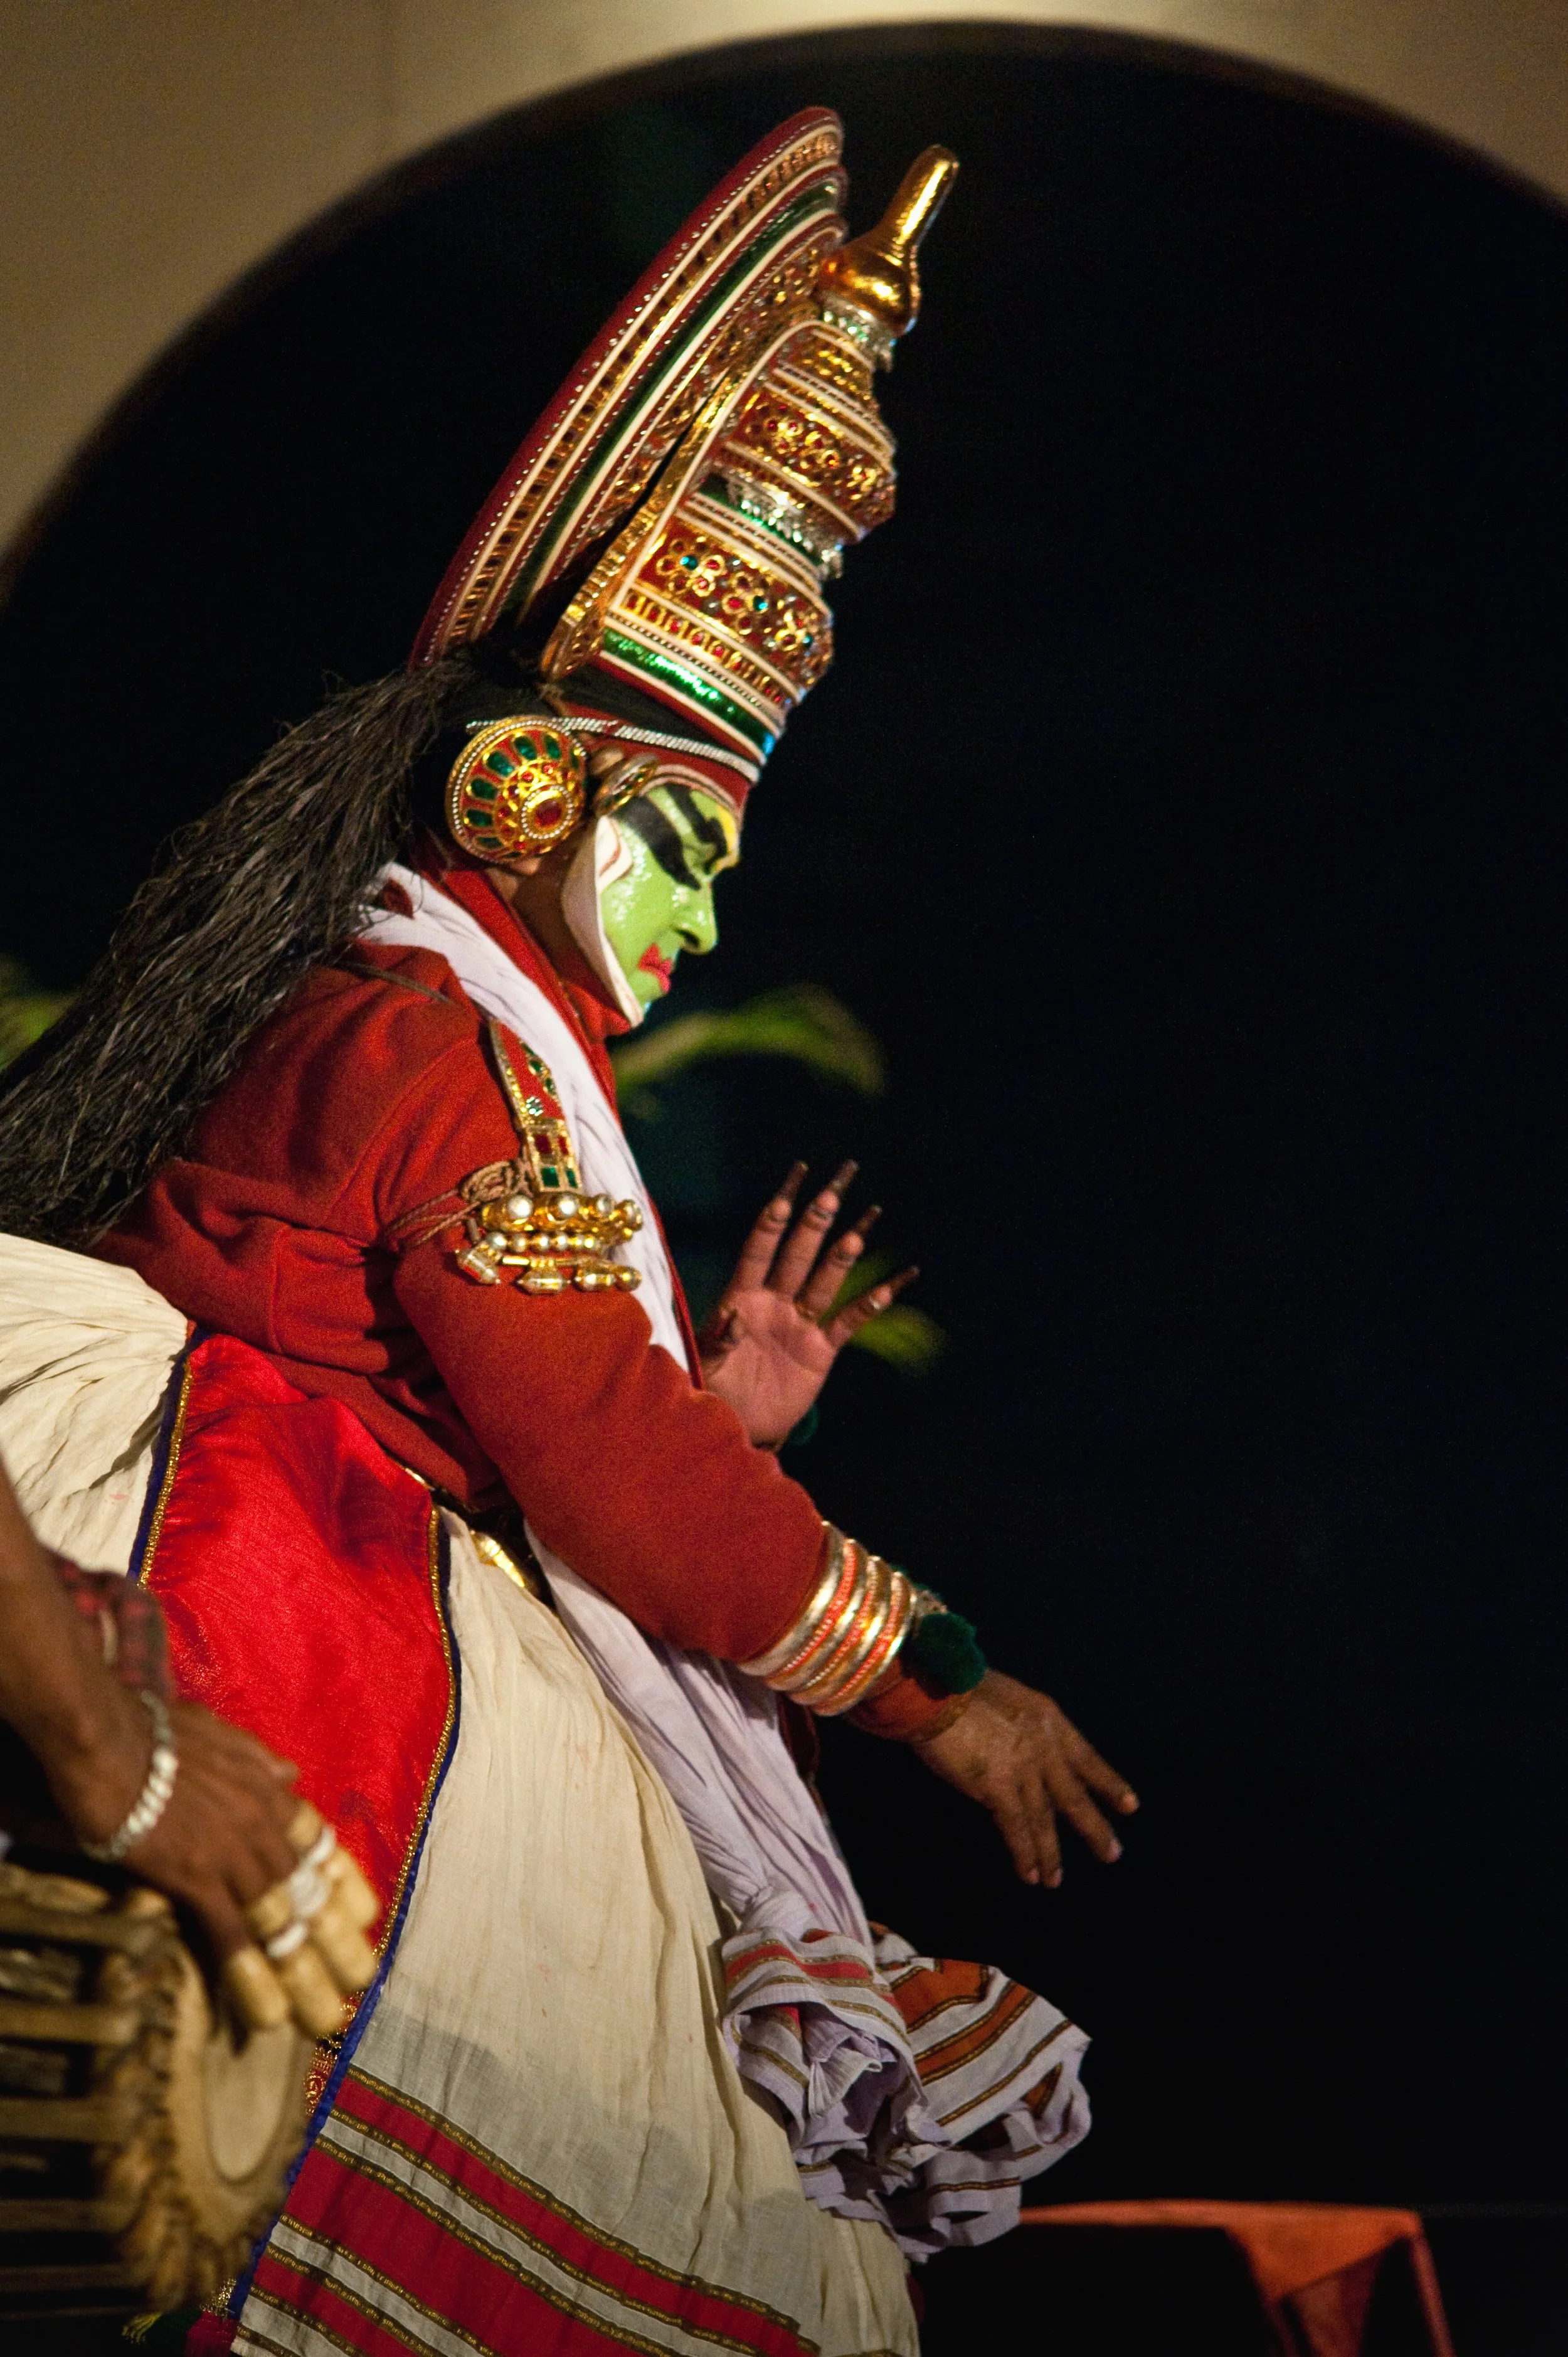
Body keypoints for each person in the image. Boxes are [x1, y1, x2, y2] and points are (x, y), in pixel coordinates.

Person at [0, 112, 1136, 2356]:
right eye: (683, 846)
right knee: (757, 2236)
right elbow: (608, 1478)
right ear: (529, 796)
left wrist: (704, 1409)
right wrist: (944, 1689)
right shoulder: (447, 1052)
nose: (703, 918)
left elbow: (552, 1415)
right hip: (279, 1552)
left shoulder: (400, 1013)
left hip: (289, 1492)